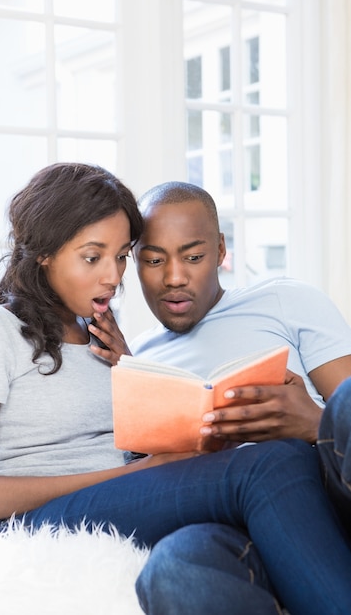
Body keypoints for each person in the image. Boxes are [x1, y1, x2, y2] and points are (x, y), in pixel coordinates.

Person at [0, 165, 351, 615]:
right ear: (45, 253)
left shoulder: (103, 338)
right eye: (92, 256)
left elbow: (132, 445)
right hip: (38, 519)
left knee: (262, 476)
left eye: (120, 257)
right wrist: (139, 473)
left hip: (125, 500)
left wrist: (142, 380)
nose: (113, 277)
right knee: (269, 464)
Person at [110, 180, 351, 614]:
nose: (174, 278)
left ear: (220, 251)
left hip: (332, 492)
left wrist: (314, 422)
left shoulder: (285, 300)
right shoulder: (138, 358)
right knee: (174, 566)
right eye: (153, 260)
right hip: (234, 525)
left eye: (194, 256)